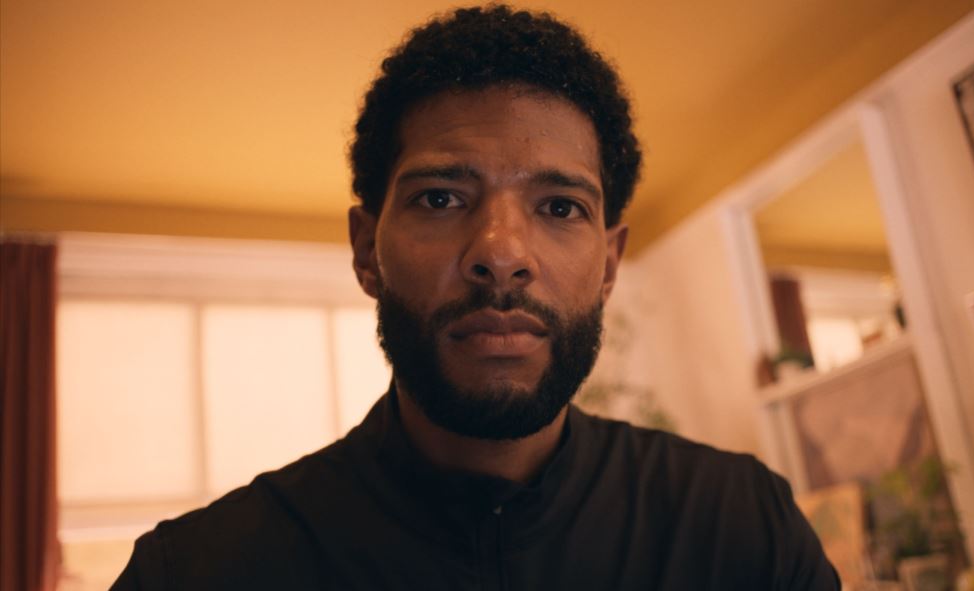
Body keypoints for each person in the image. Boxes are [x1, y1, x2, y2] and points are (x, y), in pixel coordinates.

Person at [113, 5, 839, 590]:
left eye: (560, 207)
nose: (501, 252)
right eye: (440, 197)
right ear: (367, 251)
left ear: (609, 264)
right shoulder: (197, 572)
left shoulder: (743, 526)